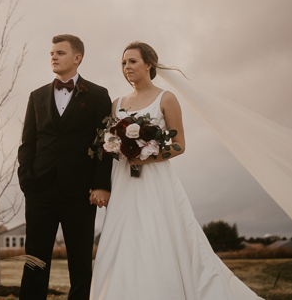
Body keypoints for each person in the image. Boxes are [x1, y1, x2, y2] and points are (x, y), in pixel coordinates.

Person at [90, 41, 262, 299]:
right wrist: (119, 147)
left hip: (155, 180)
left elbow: (179, 145)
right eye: (123, 63)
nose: (126, 67)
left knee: (157, 235)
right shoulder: (116, 104)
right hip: (124, 181)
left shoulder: (165, 98)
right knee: (123, 237)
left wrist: (147, 155)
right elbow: (108, 145)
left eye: (132, 61)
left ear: (149, 64)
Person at [17, 34, 113, 300]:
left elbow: (106, 143)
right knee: (35, 259)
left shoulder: (98, 94)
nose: (53, 57)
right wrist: (26, 178)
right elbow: (28, 142)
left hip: (80, 192)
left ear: (77, 58)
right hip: (40, 188)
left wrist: (102, 184)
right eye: (51, 54)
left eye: (59, 53)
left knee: (80, 262)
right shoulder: (36, 96)